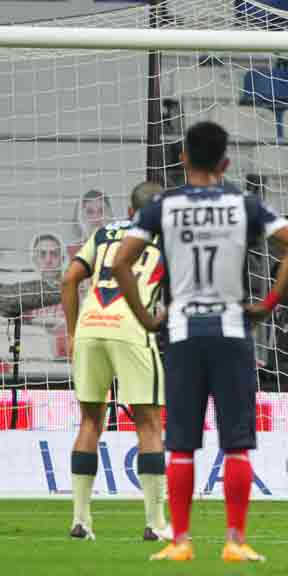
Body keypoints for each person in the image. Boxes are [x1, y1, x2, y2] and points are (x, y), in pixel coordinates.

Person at [112, 121, 288, 562]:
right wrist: (270, 302)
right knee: (236, 442)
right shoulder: (244, 204)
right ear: (225, 161)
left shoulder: (163, 205)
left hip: (181, 332)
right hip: (233, 330)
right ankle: (235, 541)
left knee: (180, 442)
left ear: (183, 157)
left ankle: (180, 542)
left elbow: (123, 261)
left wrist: (146, 317)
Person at [61, 181, 169, 542]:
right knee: (149, 425)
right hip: (132, 328)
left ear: (128, 210)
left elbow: (70, 277)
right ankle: (155, 524)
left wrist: (74, 331)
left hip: (91, 327)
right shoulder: (168, 238)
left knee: (90, 421)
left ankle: (80, 520)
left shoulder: (105, 233)